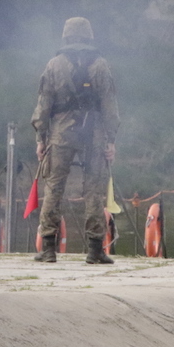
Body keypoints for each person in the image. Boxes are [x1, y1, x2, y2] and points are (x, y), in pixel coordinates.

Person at [31, 16, 120, 264]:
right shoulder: (101, 65)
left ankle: (48, 249)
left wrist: (41, 138)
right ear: (89, 36)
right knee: (94, 190)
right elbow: (109, 106)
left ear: (66, 36)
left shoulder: (54, 64)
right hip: (93, 133)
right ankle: (94, 251)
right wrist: (110, 139)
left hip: (61, 132)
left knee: (54, 187)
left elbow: (43, 105)